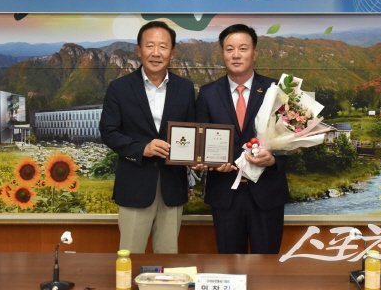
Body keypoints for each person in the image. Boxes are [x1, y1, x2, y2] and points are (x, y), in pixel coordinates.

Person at [100, 20, 195, 253]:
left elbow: (193, 130)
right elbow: (109, 132)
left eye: (163, 46)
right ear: (138, 50)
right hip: (135, 186)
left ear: (172, 52)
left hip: (173, 186)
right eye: (150, 45)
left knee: (168, 257)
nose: (156, 53)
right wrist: (142, 148)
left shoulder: (185, 88)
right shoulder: (119, 88)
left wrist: (198, 156)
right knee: (130, 256)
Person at [196, 24, 289, 254]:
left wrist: (274, 159)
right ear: (222, 53)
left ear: (254, 53)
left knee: (266, 265)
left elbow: (292, 141)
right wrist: (209, 163)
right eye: (229, 49)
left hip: (266, 194)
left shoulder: (275, 90)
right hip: (225, 194)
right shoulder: (207, 94)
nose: (236, 55)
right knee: (229, 264)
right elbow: (200, 142)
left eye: (243, 48)